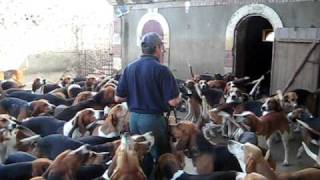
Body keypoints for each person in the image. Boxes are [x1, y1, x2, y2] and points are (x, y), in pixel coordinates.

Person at [115, 32, 180, 176]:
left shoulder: (129, 68)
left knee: (142, 157)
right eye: (161, 47)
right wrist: (178, 97)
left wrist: (136, 94)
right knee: (163, 158)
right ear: (157, 47)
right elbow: (173, 101)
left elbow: (118, 97)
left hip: (134, 120)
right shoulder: (162, 70)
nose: (162, 50)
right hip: (153, 121)